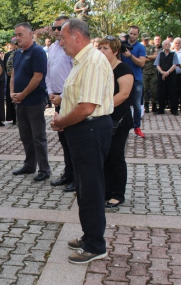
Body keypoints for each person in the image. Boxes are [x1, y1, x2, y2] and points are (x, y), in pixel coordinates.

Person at [51, 19, 114, 264]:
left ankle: (95, 245)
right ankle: (90, 236)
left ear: (77, 37)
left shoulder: (93, 62)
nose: (60, 43)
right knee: (84, 188)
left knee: (91, 189)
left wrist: (62, 122)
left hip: (89, 129)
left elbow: (87, 107)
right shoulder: (82, 61)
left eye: (63, 38)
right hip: (82, 131)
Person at [10, 23, 50, 182]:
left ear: (30, 34)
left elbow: (38, 77)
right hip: (20, 102)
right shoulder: (18, 53)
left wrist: (23, 94)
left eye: (20, 34)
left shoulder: (38, 52)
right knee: (25, 135)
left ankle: (44, 169)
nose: (17, 38)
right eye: (16, 35)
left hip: (34, 101)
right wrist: (12, 93)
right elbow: (13, 75)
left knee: (38, 137)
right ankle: (29, 164)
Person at [98, 36, 133, 208]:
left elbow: (124, 94)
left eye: (105, 48)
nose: (102, 51)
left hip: (119, 118)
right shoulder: (100, 68)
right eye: (100, 48)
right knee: (105, 155)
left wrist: (103, 106)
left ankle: (118, 194)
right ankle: (106, 190)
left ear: (115, 51)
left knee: (116, 156)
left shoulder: (123, 69)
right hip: (104, 117)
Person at [47, 15, 75, 193]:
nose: (56, 31)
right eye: (54, 28)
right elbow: (48, 72)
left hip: (71, 100)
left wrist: (63, 96)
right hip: (56, 98)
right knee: (64, 140)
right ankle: (68, 173)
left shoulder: (72, 48)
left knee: (73, 140)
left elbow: (76, 76)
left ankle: (76, 177)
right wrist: (50, 91)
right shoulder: (53, 48)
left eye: (60, 28)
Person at [121, 26, 147, 137]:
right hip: (123, 78)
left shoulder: (141, 47)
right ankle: (122, 126)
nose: (132, 36)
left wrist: (130, 56)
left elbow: (142, 63)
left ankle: (137, 127)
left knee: (136, 105)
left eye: (134, 34)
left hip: (136, 79)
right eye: (130, 33)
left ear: (138, 35)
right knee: (122, 103)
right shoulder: (122, 45)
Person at [154, 40, 180, 115]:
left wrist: (167, 72)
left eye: (169, 44)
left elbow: (175, 64)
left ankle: (174, 109)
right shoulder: (160, 54)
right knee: (161, 92)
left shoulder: (174, 54)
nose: (167, 45)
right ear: (163, 45)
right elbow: (157, 64)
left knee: (172, 92)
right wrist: (162, 72)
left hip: (171, 75)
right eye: (166, 44)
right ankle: (161, 109)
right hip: (161, 75)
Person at [142, 33, 158, 113]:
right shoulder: (141, 47)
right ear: (142, 39)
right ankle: (146, 105)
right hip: (144, 71)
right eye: (145, 39)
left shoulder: (153, 47)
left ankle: (154, 105)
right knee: (145, 89)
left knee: (154, 89)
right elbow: (141, 59)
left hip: (153, 71)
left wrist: (146, 57)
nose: (146, 41)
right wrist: (150, 58)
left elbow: (156, 57)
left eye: (148, 39)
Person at [5, 39, 17, 125]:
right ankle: (14, 118)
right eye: (15, 44)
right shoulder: (10, 55)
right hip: (13, 80)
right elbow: (8, 71)